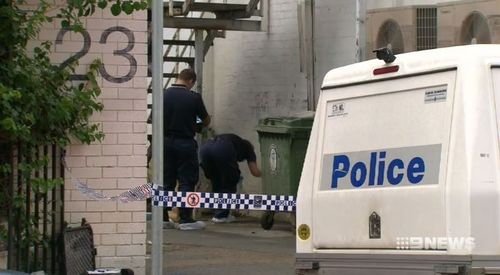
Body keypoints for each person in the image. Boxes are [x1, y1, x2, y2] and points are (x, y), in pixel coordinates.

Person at [164, 68, 210, 230]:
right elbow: (205, 120)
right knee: (187, 180)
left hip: (165, 142)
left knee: (166, 179)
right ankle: (185, 219)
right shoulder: (194, 98)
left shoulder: (163, 95)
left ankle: (163, 218)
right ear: (191, 81)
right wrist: (195, 123)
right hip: (185, 143)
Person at [200, 134, 262, 223]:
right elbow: (255, 172)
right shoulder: (249, 148)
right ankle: (221, 216)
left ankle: (217, 212)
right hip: (223, 149)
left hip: (205, 148)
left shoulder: (235, 141)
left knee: (216, 181)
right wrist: (267, 173)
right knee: (230, 180)